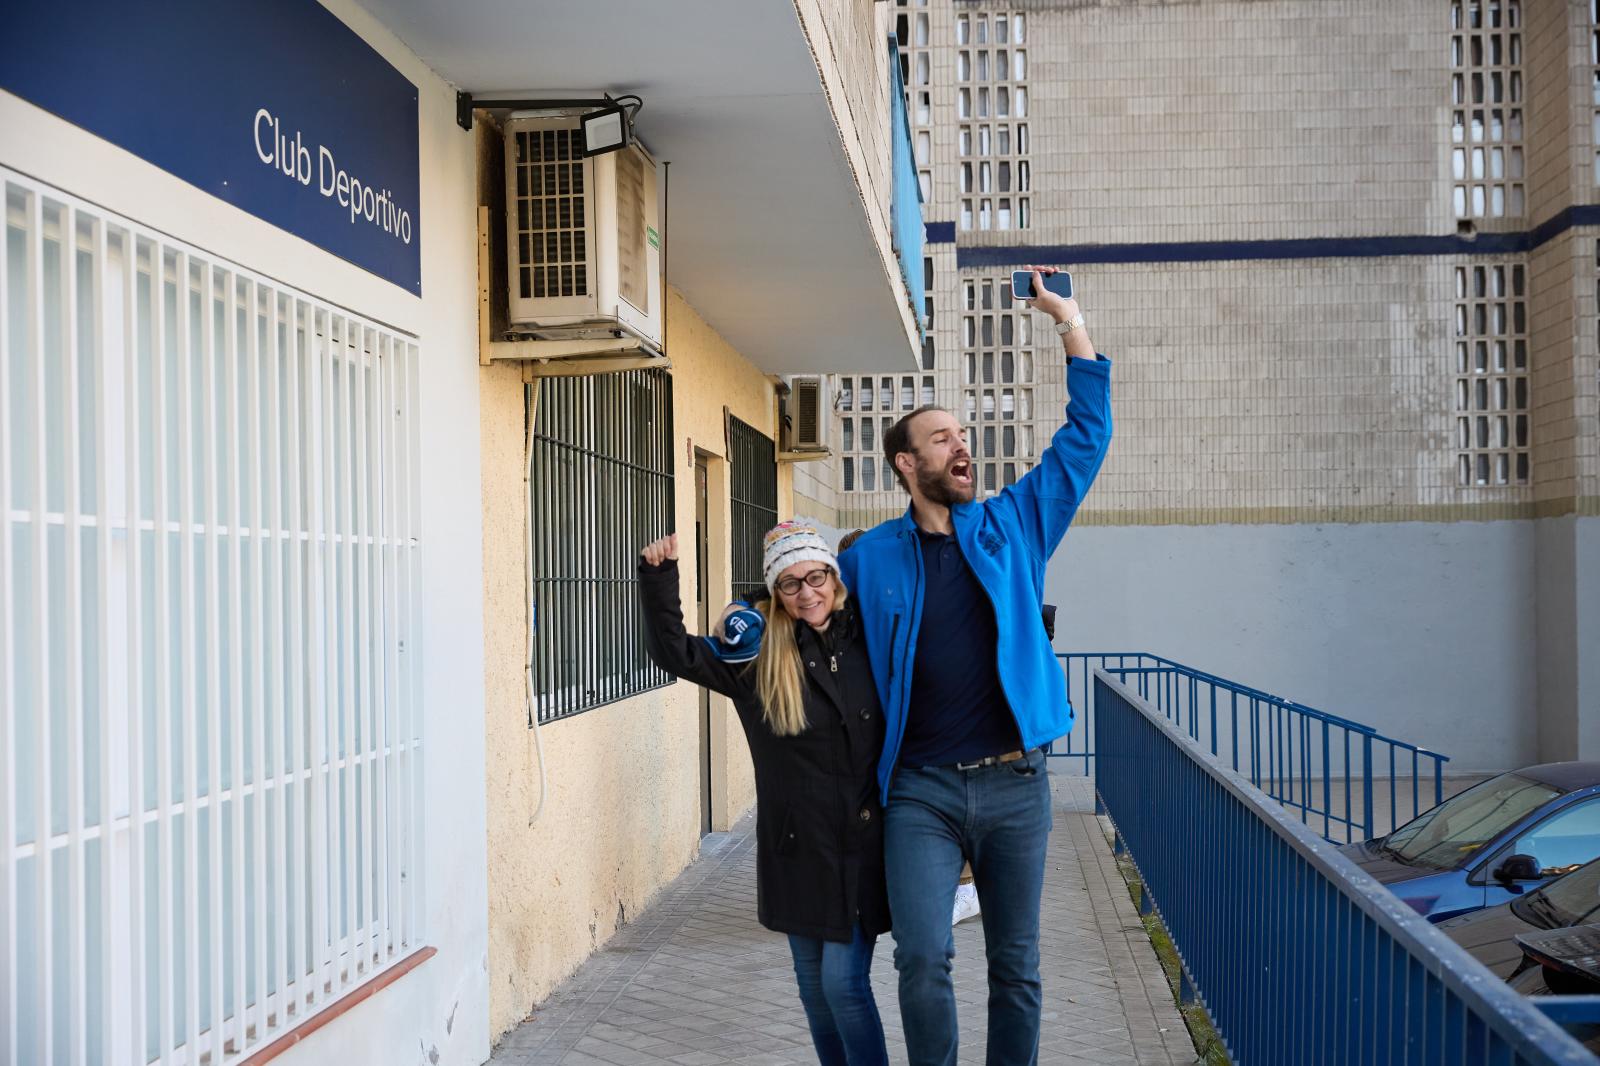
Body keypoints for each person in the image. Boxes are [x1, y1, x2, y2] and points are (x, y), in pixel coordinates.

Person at [841, 267, 1110, 1065]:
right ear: (904, 464)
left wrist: (1069, 320)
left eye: (963, 435)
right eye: (942, 439)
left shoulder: (1013, 525)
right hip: (918, 788)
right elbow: (816, 629)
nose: (963, 446)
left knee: (1017, 969)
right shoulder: (870, 558)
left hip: (1015, 782)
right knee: (922, 957)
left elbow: (1083, 442)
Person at [637, 522, 891, 1066]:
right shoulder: (756, 659)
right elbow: (677, 654)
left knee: (844, 986)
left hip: (860, 845)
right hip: (796, 848)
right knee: (813, 992)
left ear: (834, 577)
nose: (808, 594)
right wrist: (660, 581)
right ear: (776, 591)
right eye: (792, 583)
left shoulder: (872, 640)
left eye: (817, 577)